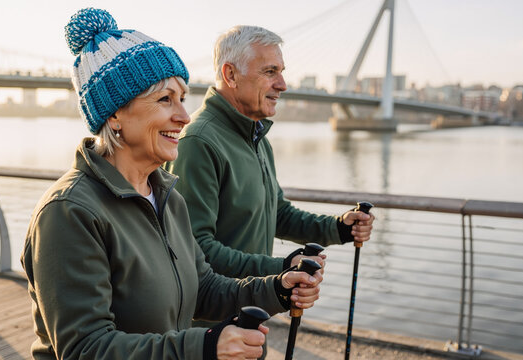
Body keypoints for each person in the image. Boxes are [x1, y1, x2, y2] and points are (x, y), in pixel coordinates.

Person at [20, 9, 322, 360]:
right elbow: (86, 348)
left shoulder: (166, 195)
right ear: (114, 114)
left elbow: (203, 287)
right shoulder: (69, 212)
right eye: (165, 99)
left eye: (182, 98)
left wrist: (277, 288)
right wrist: (205, 345)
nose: (183, 116)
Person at [164, 25, 375, 280]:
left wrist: (339, 228)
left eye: (281, 72)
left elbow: (278, 214)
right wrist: (282, 269)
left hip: (248, 310)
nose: (283, 84)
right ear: (230, 74)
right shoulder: (198, 142)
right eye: (270, 72)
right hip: (211, 318)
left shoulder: (257, 137)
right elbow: (195, 249)